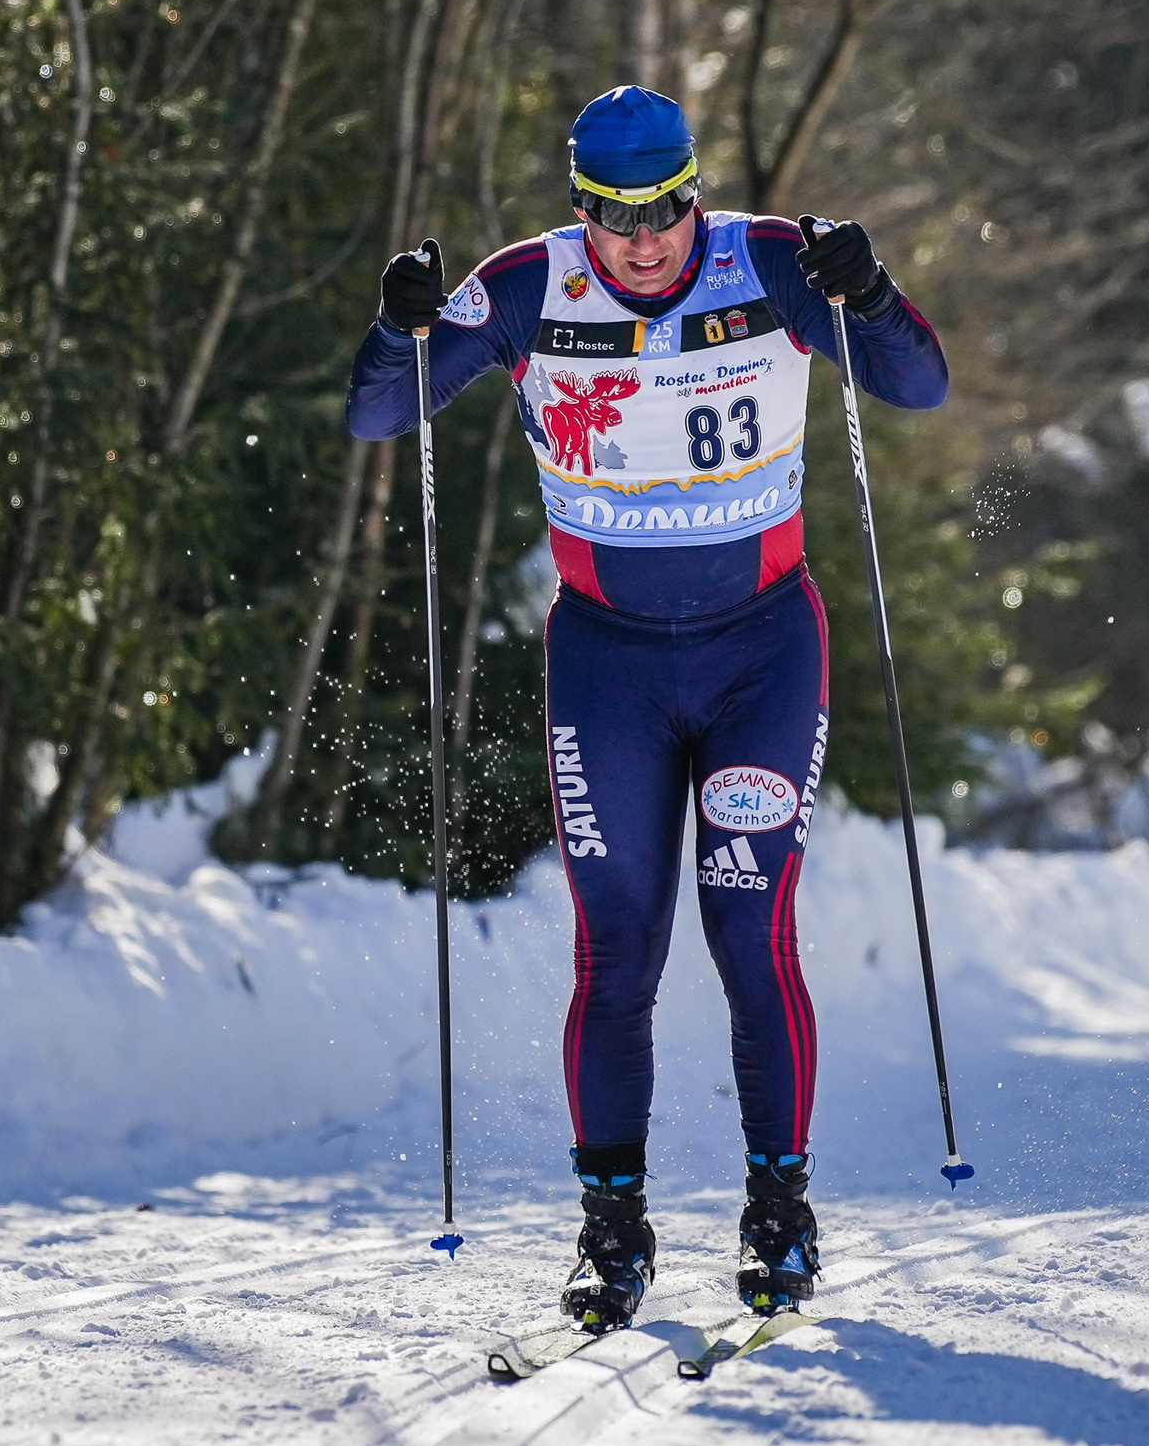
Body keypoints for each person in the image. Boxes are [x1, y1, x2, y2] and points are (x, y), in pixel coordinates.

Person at [344, 86, 948, 1329]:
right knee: (615, 952)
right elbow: (376, 412)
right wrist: (396, 326)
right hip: (608, 666)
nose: (645, 240)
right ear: (582, 211)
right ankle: (609, 1236)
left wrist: (871, 294)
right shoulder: (526, 290)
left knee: (747, 937)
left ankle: (779, 1217)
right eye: (616, 216)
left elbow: (921, 388)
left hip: (761, 655)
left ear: (695, 192)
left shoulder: (772, 265)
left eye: (668, 207)